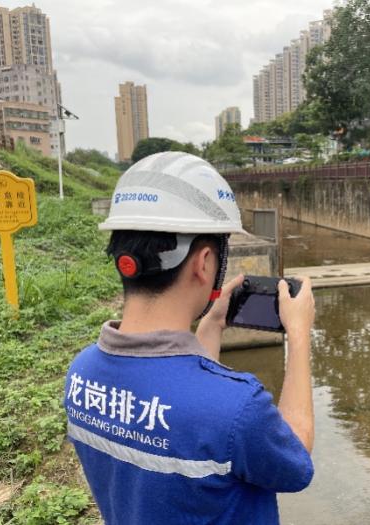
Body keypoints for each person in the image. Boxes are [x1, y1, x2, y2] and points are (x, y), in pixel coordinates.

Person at [64, 152, 315, 524]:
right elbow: (296, 460)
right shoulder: (239, 407)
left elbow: (189, 406)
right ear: (203, 263)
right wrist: (299, 335)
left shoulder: (82, 373)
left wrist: (210, 326)